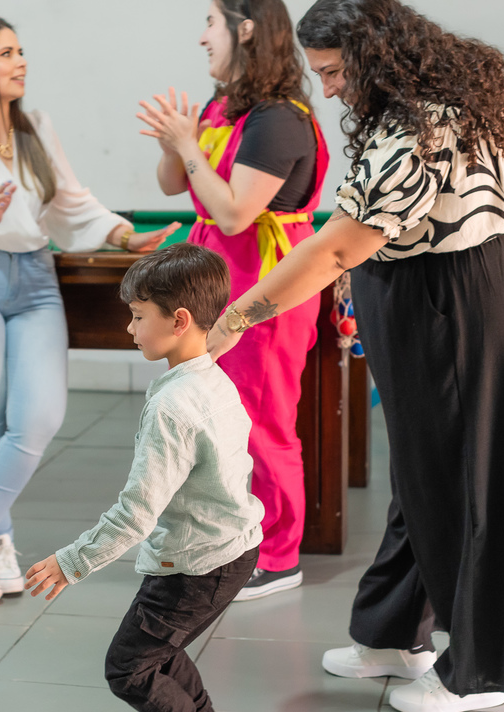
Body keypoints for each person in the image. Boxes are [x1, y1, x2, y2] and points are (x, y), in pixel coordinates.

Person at [207, 0, 504, 712]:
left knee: (470, 484)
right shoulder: (471, 84)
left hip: (463, 305)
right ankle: (393, 632)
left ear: (374, 53)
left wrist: (240, 312)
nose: (327, 89)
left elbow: (335, 245)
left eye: (333, 72)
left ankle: (480, 671)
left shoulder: (418, 126)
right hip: (447, 294)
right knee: (424, 475)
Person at [0, 16, 179, 604]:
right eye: (7, 53)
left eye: (20, 50)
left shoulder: (35, 128)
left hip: (34, 278)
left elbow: (68, 204)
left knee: (38, 418)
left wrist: (123, 234)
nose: (21, 61)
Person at [25, 244, 262, 712]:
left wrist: (71, 562)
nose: (129, 327)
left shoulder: (173, 405)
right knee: (160, 651)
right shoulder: (211, 379)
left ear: (178, 321)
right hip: (226, 549)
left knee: (128, 666)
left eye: (137, 315)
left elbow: (136, 513)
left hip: (197, 563)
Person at [136, 0, 329, 602]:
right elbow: (176, 183)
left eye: (211, 22)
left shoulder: (279, 118)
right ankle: (228, 540)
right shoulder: (227, 106)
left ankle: (279, 556)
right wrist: (176, 144)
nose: (202, 38)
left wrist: (188, 144)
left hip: (264, 286)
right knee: (214, 419)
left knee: (263, 422)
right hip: (216, 278)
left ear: (246, 28)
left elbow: (235, 210)